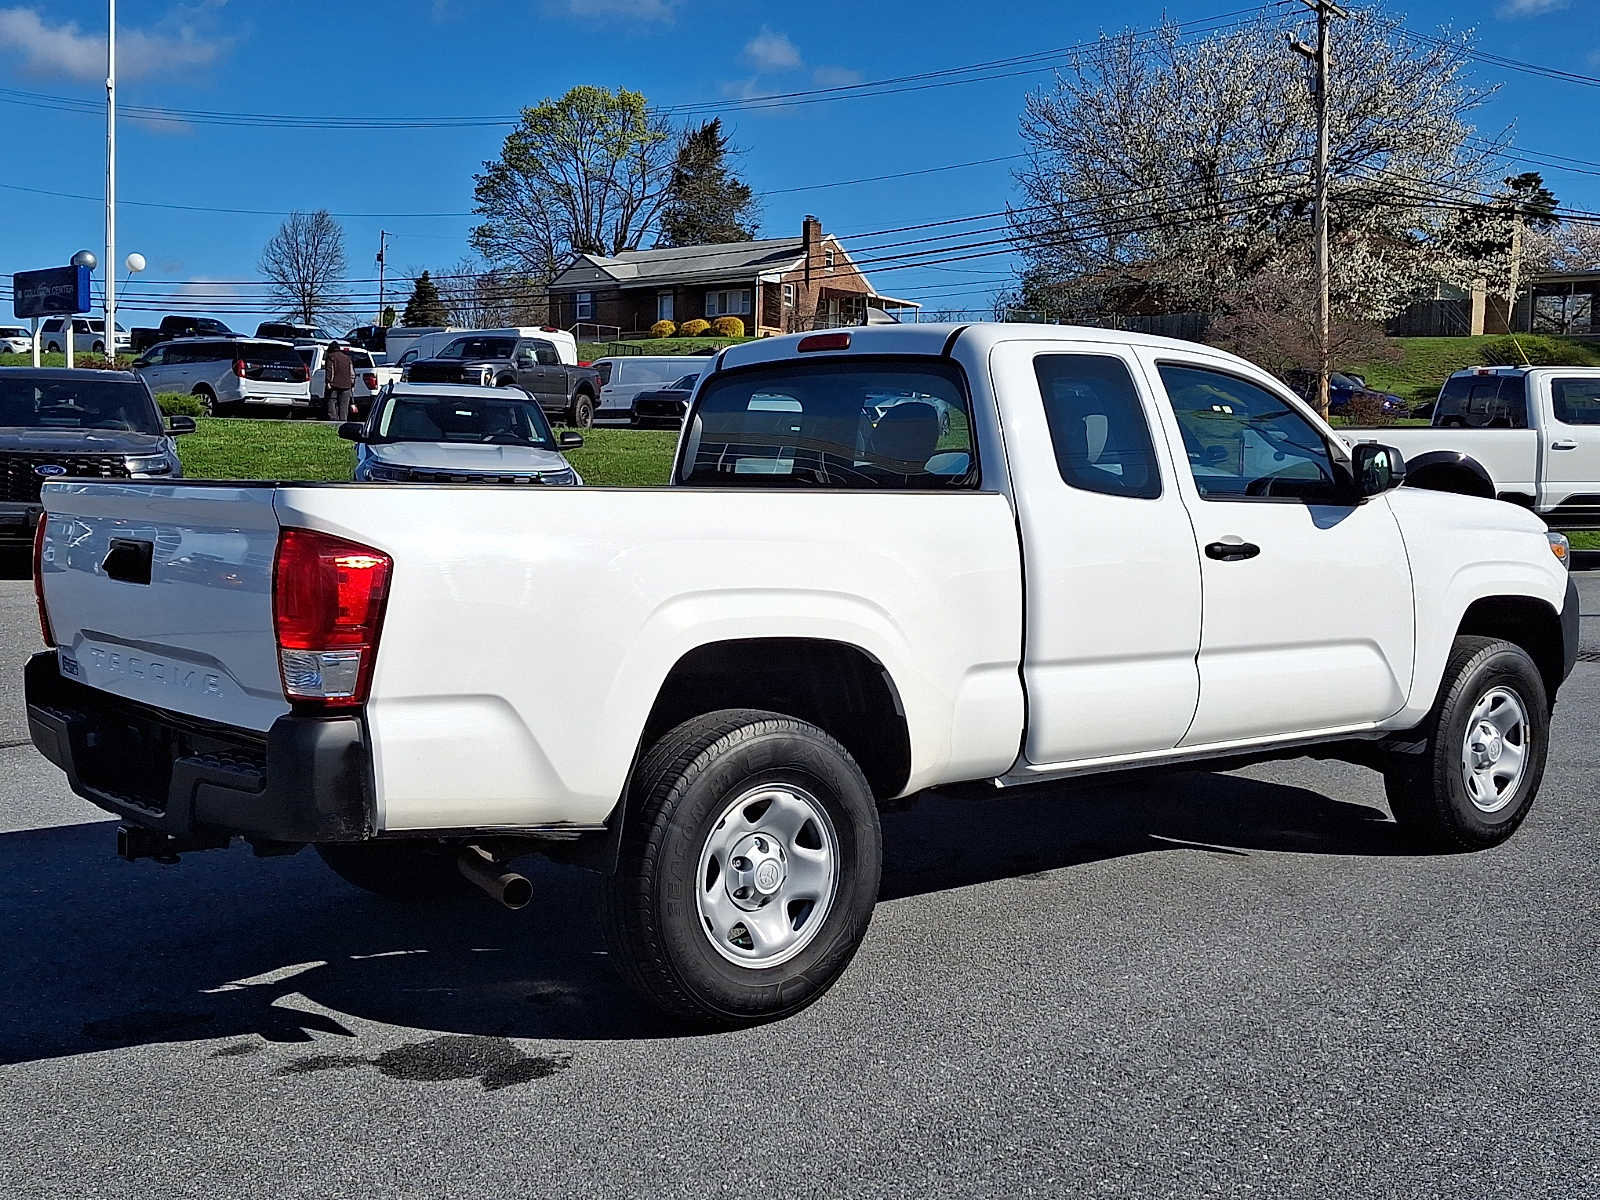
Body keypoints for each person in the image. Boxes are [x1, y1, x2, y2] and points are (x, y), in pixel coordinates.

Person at [324, 340, 356, 421]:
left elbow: (330, 370)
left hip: (334, 385)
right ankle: (343, 422)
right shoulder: (347, 358)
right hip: (347, 385)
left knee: (331, 402)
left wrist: (328, 382)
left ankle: (333, 421)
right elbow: (352, 372)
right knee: (344, 406)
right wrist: (352, 383)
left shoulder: (331, 357)